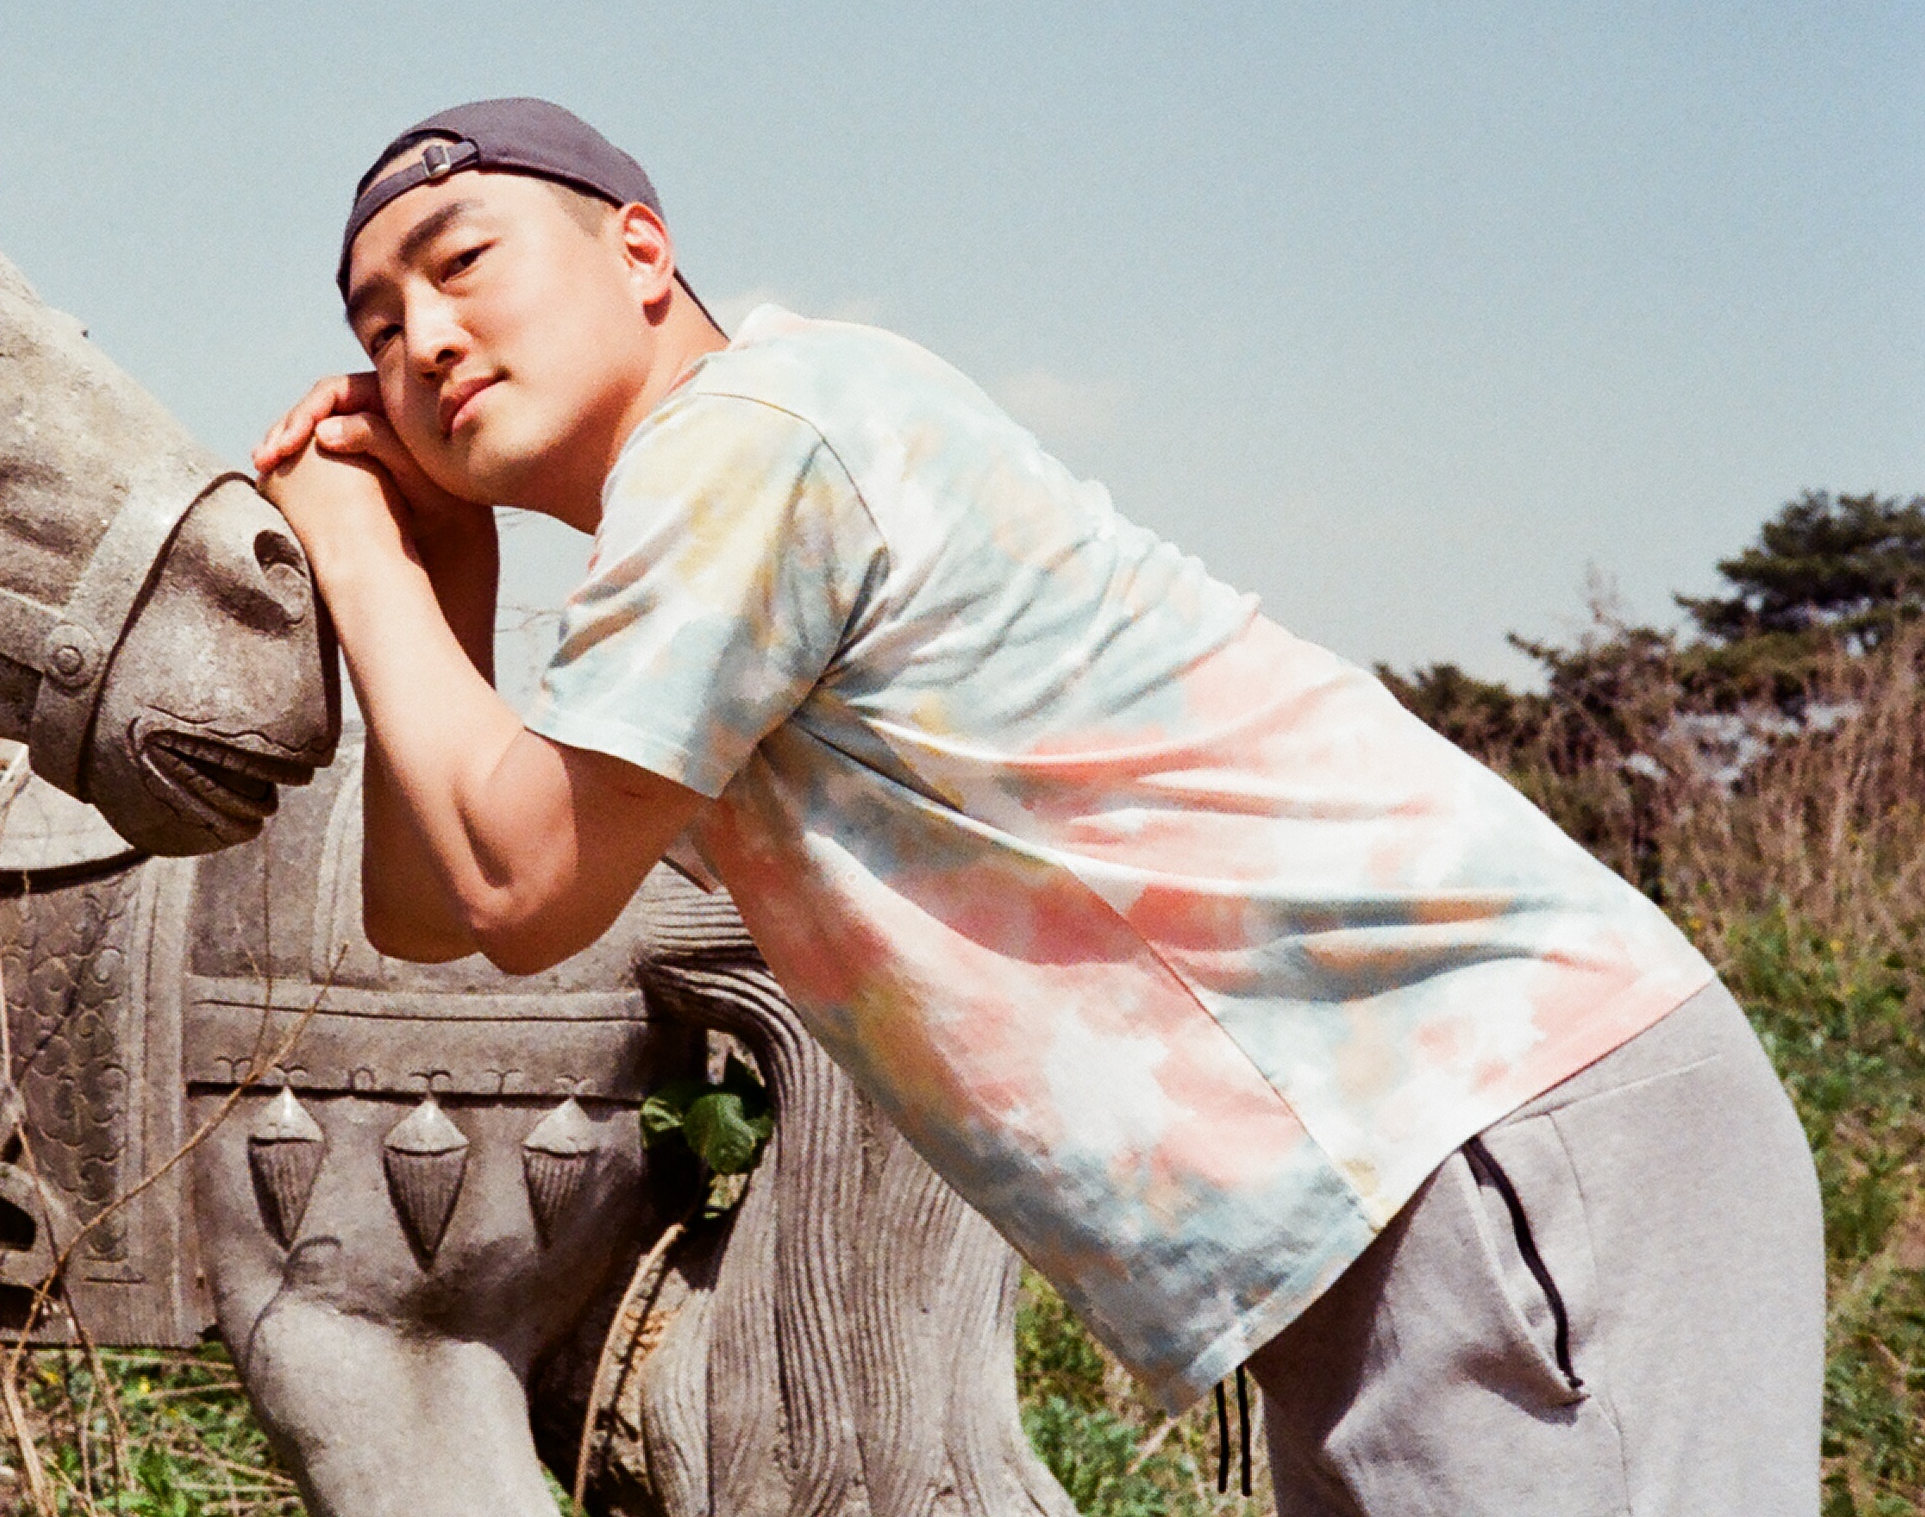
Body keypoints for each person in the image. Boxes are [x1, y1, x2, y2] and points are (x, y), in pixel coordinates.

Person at [251, 97, 1823, 1516]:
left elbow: (518, 887)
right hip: (1417, 1169)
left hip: (1483, 1123)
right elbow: (436, 915)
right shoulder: (713, 513)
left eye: (464, 263)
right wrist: (445, 581)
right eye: (377, 326)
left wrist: (363, 552)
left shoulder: (751, 438)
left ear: (642, 253)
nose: (423, 340)